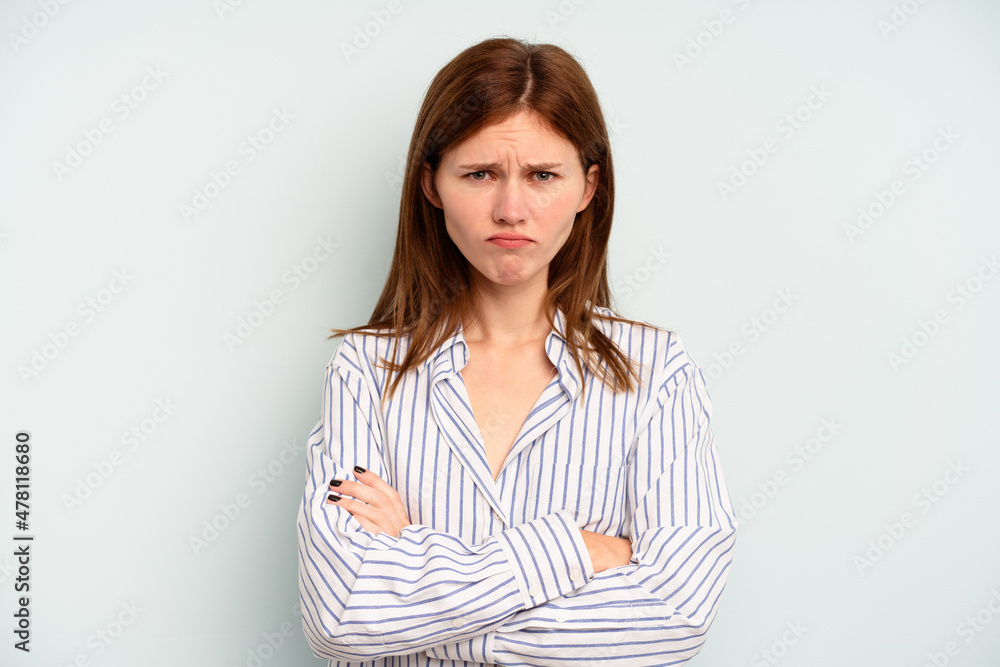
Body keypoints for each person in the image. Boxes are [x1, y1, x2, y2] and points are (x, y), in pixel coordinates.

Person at [296, 36, 737, 666]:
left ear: (588, 188)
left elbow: (675, 618)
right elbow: (341, 618)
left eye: (542, 175)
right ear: (432, 185)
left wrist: (416, 567)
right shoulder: (366, 370)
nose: (511, 209)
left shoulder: (654, 371)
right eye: (480, 174)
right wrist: (580, 550)